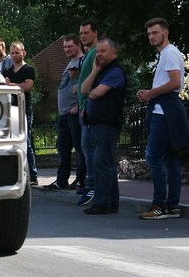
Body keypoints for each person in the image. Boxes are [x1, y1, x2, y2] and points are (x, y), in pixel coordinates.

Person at [136, 18, 189, 219]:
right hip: (166, 108)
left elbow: (175, 83)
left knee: (153, 157)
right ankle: (172, 206)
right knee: (170, 158)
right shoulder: (169, 54)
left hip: (163, 111)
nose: (151, 37)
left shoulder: (169, 53)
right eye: (149, 34)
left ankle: (159, 206)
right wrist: (151, 92)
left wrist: (151, 93)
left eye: (155, 33)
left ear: (165, 32)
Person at [79, 38, 127, 214]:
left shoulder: (115, 71)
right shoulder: (101, 71)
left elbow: (97, 93)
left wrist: (92, 93)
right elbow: (84, 90)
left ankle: (102, 203)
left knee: (101, 164)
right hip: (97, 124)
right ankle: (111, 203)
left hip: (107, 124)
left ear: (114, 52)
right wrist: (94, 71)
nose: (98, 54)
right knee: (105, 164)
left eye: (103, 51)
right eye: (97, 51)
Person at [44, 34, 86, 189]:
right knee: (62, 148)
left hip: (73, 112)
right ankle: (61, 180)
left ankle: (81, 180)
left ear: (78, 45)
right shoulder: (70, 63)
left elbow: (84, 85)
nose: (67, 49)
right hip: (63, 114)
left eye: (70, 46)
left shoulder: (83, 61)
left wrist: (79, 106)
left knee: (79, 148)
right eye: (65, 47)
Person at [3, 41, 39, 185]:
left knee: (27, 142)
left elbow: (28, 86)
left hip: (25, 111)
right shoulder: (7, 71)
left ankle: (33, 175)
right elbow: (4, 86)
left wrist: (11, 85)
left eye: (17, 52)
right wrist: (15, 86)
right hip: (10, 111)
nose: (15, 55)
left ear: (24, 53)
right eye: (12, 53)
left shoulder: (28, 69)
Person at [76, 20, 99, 206]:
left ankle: (92, 186)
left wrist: (87, 106)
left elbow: (96, 79)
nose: (83, 36)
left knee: (89, 148)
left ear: (95, 33)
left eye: (86, 33)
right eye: (81, 33)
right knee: (86, 148)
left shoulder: (96, 53)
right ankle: (90, 184)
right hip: (84, 106)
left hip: (89, 108)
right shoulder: (88, 54)